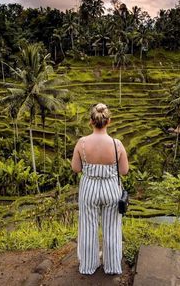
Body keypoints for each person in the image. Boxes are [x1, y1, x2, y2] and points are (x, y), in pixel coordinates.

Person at [71, 103, 129, 275]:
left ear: (91, 121)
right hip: (111, 189)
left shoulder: (82, 143)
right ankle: (112, 267)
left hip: (89, 189)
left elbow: (76, 168)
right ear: (108, 121)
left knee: (88, 228)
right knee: (112, 228)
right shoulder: (117, 144)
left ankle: (89, 265)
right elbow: (124, 171)